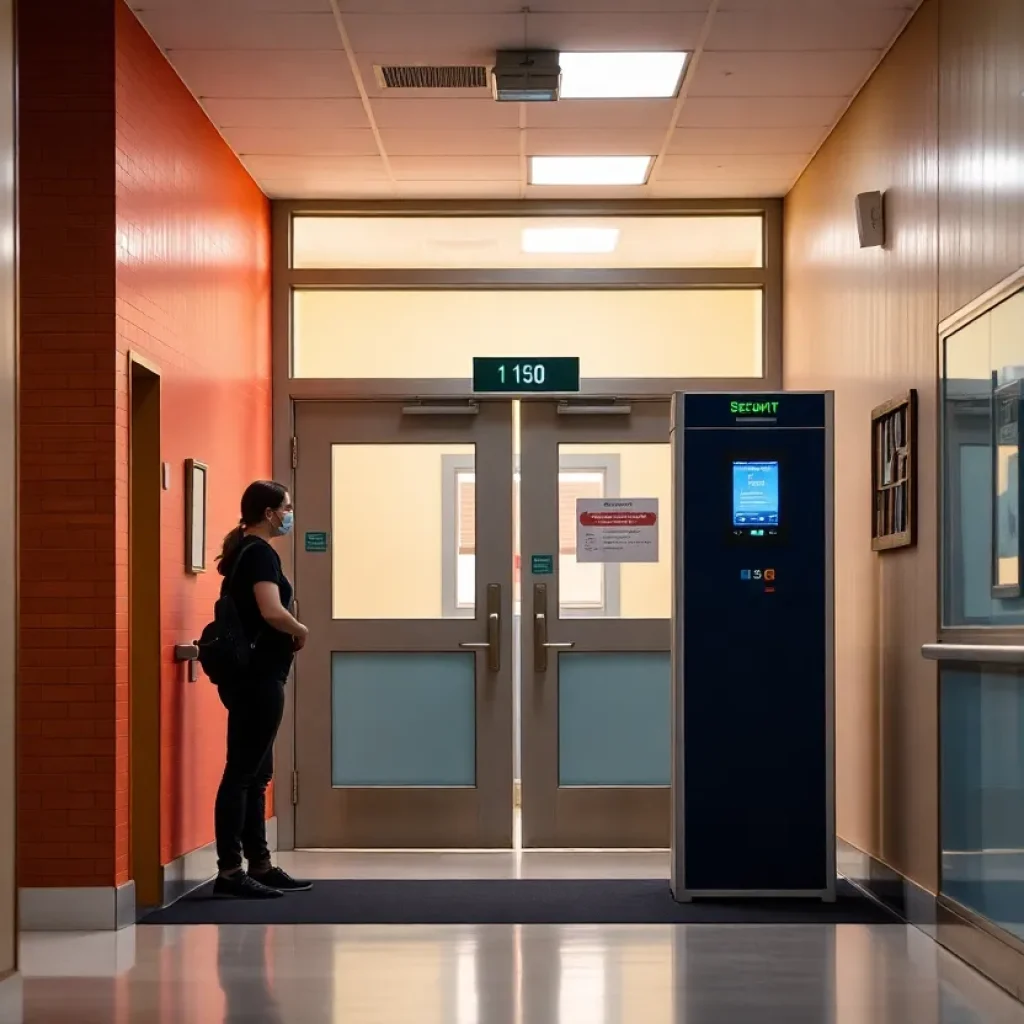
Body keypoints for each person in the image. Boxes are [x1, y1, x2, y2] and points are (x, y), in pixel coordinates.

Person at [212, 480, 311, 899]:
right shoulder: (259, 555)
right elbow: (271, 611)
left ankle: (260, 864)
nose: (289, 514)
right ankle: (231, 872)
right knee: (242, 773)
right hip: (258, 678)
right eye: (285, 507)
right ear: (269, 513)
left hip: (251, 677)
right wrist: (300, 628)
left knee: (257, 772)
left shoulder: (244, 552)